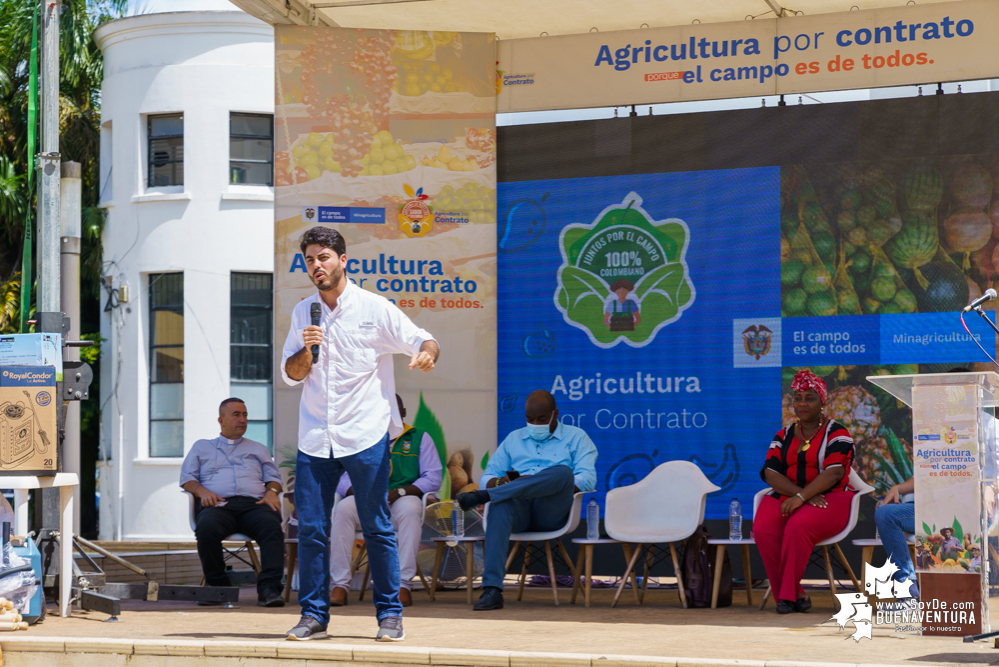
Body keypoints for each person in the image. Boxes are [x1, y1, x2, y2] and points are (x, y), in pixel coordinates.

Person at [281, 226, 439, 642]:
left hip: (365, 435)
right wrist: (306, 349)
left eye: (323, 257)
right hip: (316, 437)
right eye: (310, 259)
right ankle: (314, 616)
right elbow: (291, 374)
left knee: (377, 526)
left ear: (342, 260)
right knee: (312, 527)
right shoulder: (303, 313)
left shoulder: (374, 307)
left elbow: (423, 338)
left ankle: (390, 615)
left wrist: (425, 354)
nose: (317, 266)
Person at [457, 390, 597, 611]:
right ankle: (492, 589)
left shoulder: (576, 437)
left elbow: (587, 478)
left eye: (541, 419)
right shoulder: (514, 438)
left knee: (562, 472)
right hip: (518, 508)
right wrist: (507, 481)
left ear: (555, 414)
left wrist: (543, 482)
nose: (535, 424)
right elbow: (486, 477)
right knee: (501, 505)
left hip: (551, 510)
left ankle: (486, 498)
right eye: (530, 419)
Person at [755, 369, 856, 615]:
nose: (802, 403)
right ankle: (795, 593)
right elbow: (770, 472)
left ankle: (786, 598)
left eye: (809, 398)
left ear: (822, 402)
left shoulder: (838, 433)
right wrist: (801, 494)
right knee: (763, 529)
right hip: (790, 495)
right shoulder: (784, 434)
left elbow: (833, 473)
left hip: (832, 498)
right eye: (798, 398)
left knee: (797, 527)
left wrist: (802, 498)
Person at [329, 395, 442, 608]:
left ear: (403, 413)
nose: (389, 415)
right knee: (343, 508)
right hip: (367, 500)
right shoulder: (359, 438)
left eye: (394, 410)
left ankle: (402, 585)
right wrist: (364, 493)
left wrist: (400, 492)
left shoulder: (419, 437)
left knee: (411, 509)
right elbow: (342, 477)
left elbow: (433, 476)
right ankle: (340, 585)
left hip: (400, 500)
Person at [180, 398, 285, 607]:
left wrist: (272, 491)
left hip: (254, 506)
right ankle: (219, 588)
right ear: (221, 420)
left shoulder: (258, 448)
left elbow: (274, 478)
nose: (242, 419)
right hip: (219, 506)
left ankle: (269, 589)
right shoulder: (202, 447)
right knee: (206, 527)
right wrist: (202, 491)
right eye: (236, 414)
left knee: (272, 527)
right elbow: (187, 479)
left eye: (245, 415)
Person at [874, 476, 919, 602]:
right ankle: (909, 592)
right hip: (921, 506)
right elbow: (923, 476)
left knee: (886, 514)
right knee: (885, 513)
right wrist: (897, 487)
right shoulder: (932, 457)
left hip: (953, 506)